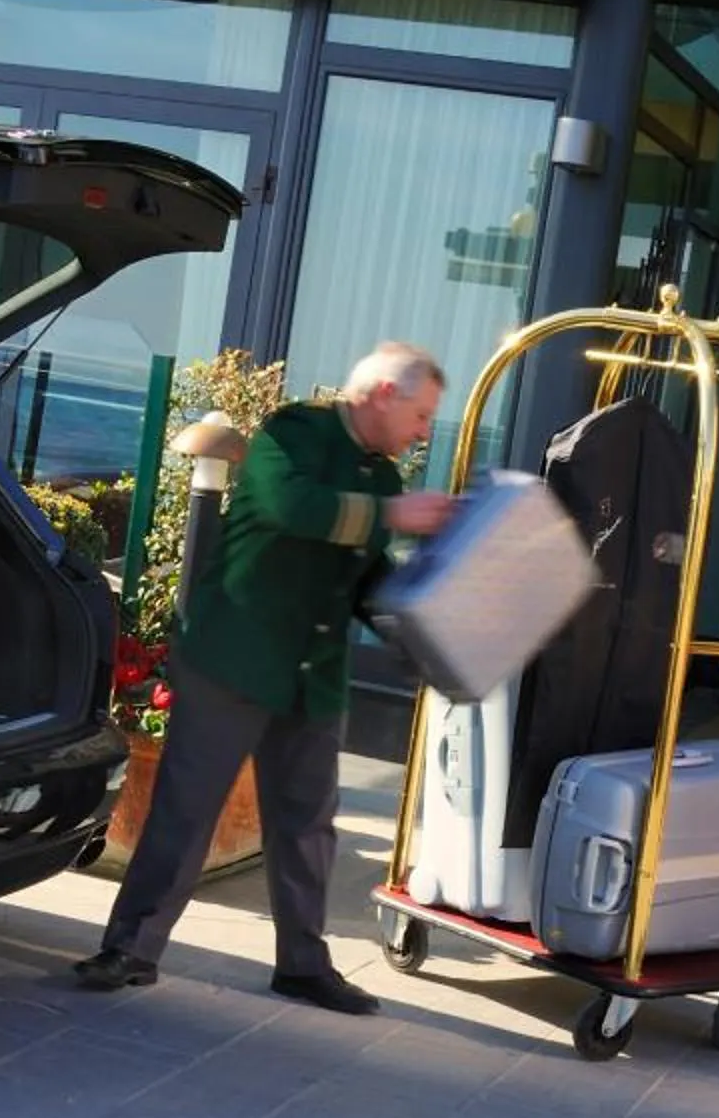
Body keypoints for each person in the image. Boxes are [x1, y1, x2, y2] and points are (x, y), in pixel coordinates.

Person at [76, 343, 456, 1012]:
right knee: (186, 811)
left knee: (309, 824)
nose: (424, 432)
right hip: (235, 657)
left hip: (310, 674)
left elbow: (363, 579)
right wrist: (394, 518)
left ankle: (303, 966)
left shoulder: (384, 479)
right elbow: (294, 508)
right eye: (421, 415)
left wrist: (420, 621)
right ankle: (129, 951)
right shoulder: (291, 434)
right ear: (382, 396)